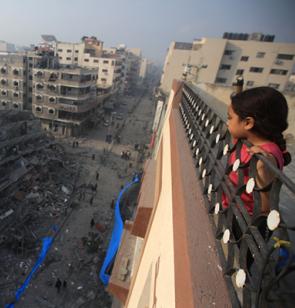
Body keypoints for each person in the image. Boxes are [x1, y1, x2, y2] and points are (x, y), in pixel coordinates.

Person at [223, 87, 291, 227]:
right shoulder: (244, 140)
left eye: (230, 118)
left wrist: (264, 164)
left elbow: (265, 208)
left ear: (248, 123)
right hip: (231, 209)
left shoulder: (265, 156)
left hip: (245, 223)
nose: (227, 122)